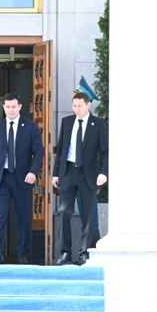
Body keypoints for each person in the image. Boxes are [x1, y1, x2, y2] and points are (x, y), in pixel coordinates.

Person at [0, 93, 44, 264]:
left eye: (13, 107)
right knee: (0, 215)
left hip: (22, 178)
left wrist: (33, 172)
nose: (10, 110)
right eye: (7, 107)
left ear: (20, 107)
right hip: (1, 179)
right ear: (3, 107)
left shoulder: (31, 127)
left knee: (24, 217)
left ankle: (23, 254)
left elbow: (38, 152)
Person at [52, 91, 109, 266]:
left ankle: (83, 253)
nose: (76, 109)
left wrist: (103, 173)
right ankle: (64, 252)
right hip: (68, 172)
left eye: (80, 106)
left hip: (88, 174)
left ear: (88, 105)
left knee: (87, 214)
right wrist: (56, 173)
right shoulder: (67, 122)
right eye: (74, 105)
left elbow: (106, 151)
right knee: (63, 212)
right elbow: (61, 149)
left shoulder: (98, 124)